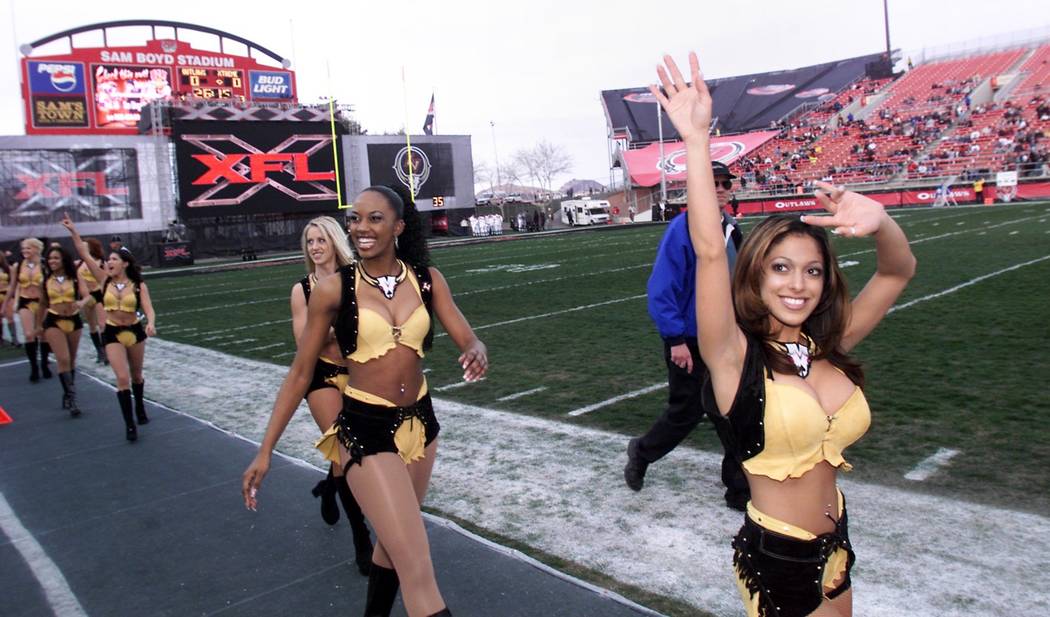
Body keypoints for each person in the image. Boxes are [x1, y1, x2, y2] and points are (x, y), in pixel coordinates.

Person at [651, 52, 915, 617]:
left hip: (836, 541)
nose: (799, 283)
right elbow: (705, 250)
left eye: (813, 269)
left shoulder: (825, 344)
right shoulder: (731, 354)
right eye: (780, 267)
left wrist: (883, 220)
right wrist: (697, 140)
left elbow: (896, 271)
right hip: (780, 557)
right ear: (755, 273)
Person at [242, 184, 488, 617]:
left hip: (421, 425)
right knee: (417, 567)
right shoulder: (334, 289)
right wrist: (265, 450)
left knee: (395, 548)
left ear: (398, 226)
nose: (361, 227)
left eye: (374, 218)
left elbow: (465, 333)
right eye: (355, 218)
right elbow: (301, 372)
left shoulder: (428, 280)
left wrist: (475, 348)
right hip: (365, 429)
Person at [624, 161, 749, 511]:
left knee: (734, 411)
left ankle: (739, 488)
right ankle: (642, 450)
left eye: (726, 182)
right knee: (687, 411)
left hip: (729, 338)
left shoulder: (730, 227)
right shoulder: (683, 229)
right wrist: (676, 339)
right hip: (691, 339)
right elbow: (662, 290)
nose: (722, 188)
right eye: (714, 183)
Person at [293, 216, 374, 575]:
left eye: (321, 240)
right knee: (346, 450)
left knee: (358, 445)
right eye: (310, 241)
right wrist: (338, 329)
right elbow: (306, 343)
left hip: (357, 373)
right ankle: (362, 540)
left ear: (334, 242)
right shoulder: (302, 290)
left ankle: (329, 487)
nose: (315, 247)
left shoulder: (356, 277)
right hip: (322, 375)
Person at [65, 216, 158, 442]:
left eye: (114, 259)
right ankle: (129, 425)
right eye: (108, 259)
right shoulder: (103, 279)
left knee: (136, 375)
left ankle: (139, 407)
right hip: (112, 332)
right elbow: (84, 253)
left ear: (124, 263)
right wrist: (73, 231)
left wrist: (151, 324)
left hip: (134, 331)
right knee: (122, 378)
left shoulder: (138, 284)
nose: (109, 262)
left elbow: (148, 308)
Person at [34, 246, 84, 416]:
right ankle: (72, 399)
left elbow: (88, 295)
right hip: (53, 320)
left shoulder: (76, 277)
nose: (52, 261)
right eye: (50, 259)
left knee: (71, 360)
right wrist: (38, 326)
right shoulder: (46, 280)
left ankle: (67, 392)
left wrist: (81, 303)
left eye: (56, 258)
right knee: (63, 359)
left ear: (64, 260)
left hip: (74, 320)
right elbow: (41, 304)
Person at [6, 238, 51, 381]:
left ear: (37, 249)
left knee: (42, 334)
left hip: (42, 302)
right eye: (23, 248)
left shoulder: (45, 265)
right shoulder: (17, 266)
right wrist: (7, 303)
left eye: (28, 248)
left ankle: (44, 363)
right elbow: (13, 286)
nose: (25, 251)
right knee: (28, 334)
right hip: (25, 301)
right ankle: (34, 368)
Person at [77, 237, 109, 364]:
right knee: (91, 326)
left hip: (98, 295)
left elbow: (105, 281)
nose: (83, 248)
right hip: (85, 296)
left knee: (102, 324)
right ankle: (99, 352)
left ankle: (106, 352)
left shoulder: (102, 262)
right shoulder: (79, 263)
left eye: (85, 246)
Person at [0, 253, 19, 347]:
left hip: (7, 294)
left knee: (10, 317)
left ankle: (15, 339)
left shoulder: (9, 269)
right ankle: (1, 340)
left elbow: (13, 283)